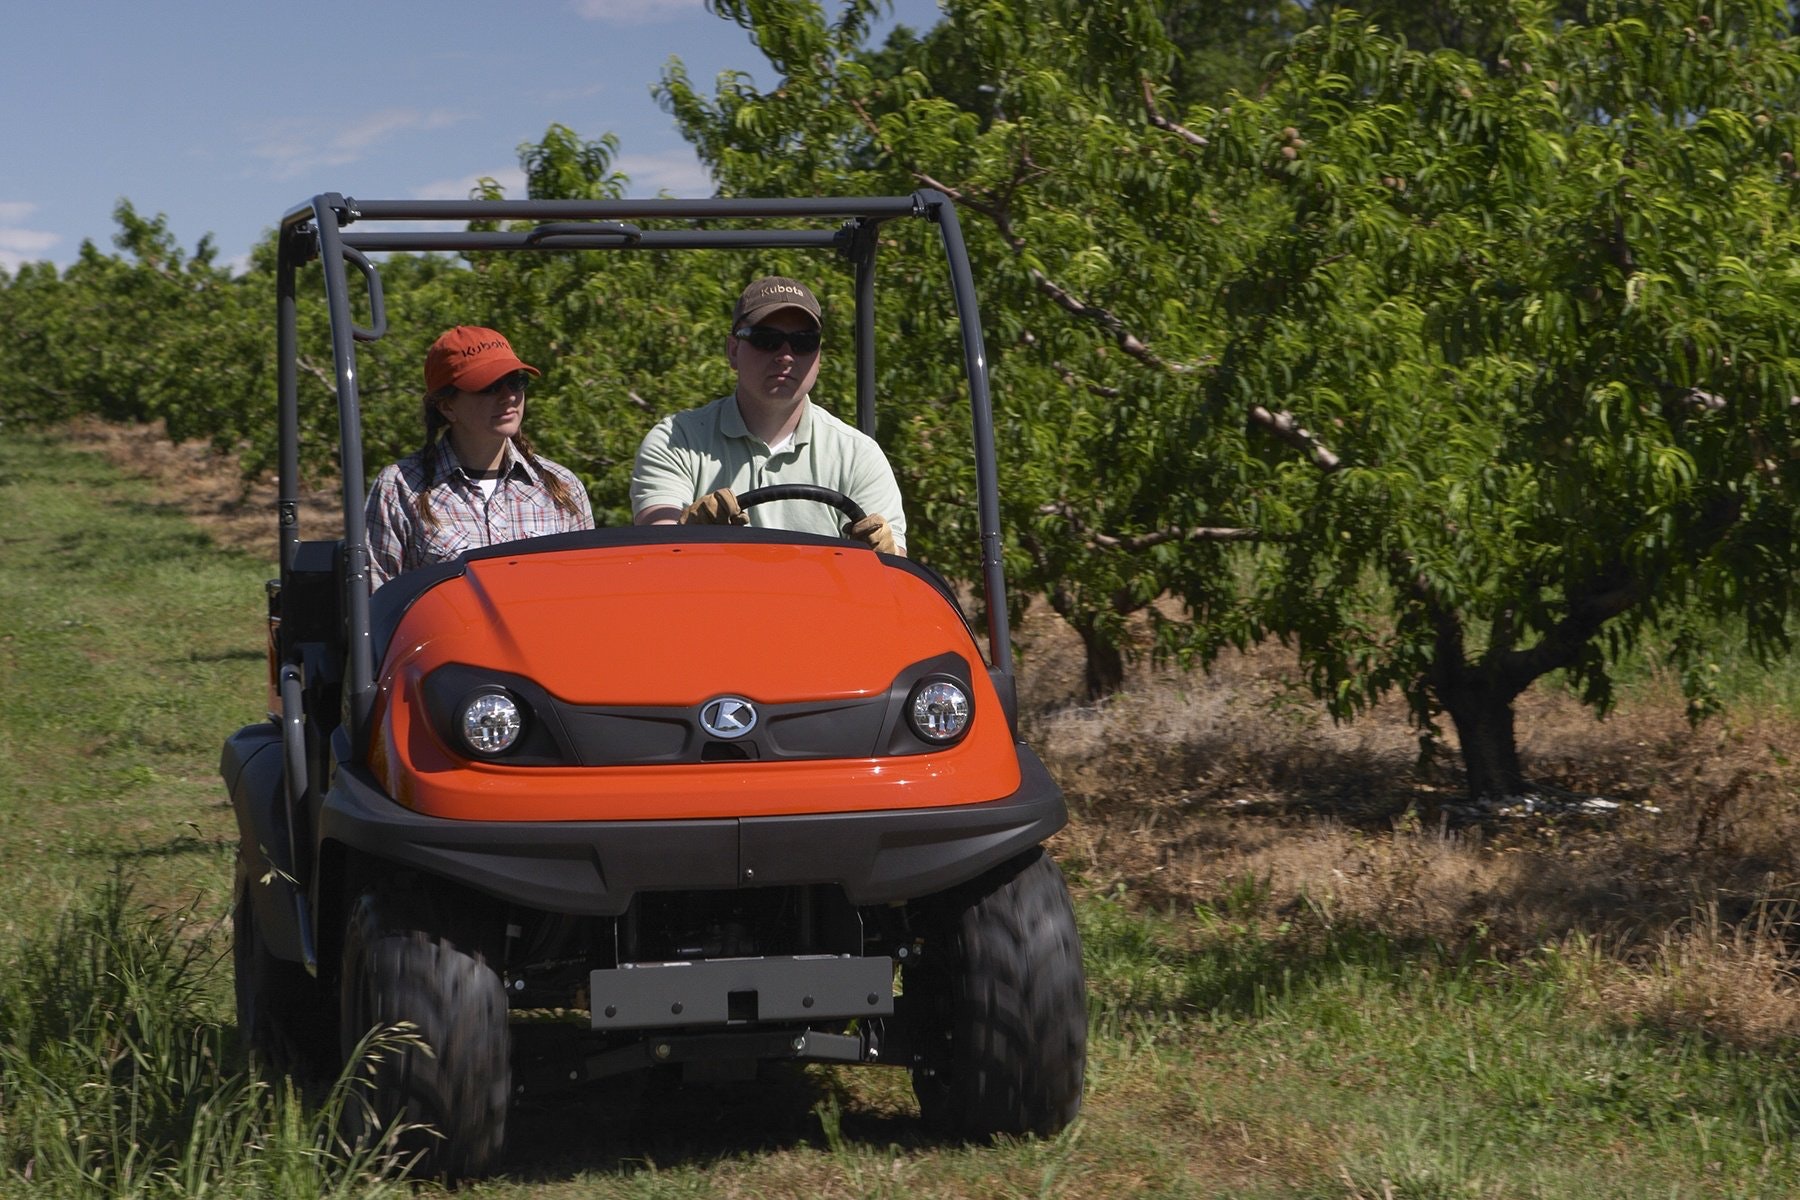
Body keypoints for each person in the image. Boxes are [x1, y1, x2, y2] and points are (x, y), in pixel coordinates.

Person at [630, 276, 907, 555]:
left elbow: (893, 574)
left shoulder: (858, 454)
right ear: (733, 351)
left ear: (819, 357)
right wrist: (688, 532)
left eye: (803, 342)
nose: (786, 355)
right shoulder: (675, 440)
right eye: (767, 339)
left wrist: (883, 556)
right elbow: (658, 551)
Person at [365, 325, 593, 590]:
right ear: (447, 405)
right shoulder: (399, 487)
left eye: (516, 381)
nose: (508, 396)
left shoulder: (562, 487)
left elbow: (586, 591)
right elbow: (375, 605)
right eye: (489, 386)